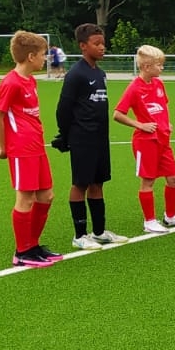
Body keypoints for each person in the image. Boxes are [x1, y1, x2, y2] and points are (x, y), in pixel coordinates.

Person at [0, 30, 61, 267]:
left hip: (37, 146)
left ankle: (33, 245)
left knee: (46, 196)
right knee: (26, 199)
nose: (45, 58)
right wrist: (4, 148)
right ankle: (22, 252)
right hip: (22, 148)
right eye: (42, 54)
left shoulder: (30, 80)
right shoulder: (11, 83)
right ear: (31, 56)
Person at [52, 23, 125, 250]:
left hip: (100, 137)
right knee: (80, 183)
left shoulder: (99, 73)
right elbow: (63, 109)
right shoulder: (76, 74)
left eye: (103, 43)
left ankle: (99, 232)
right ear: (83, 46)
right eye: (96, 44)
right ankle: (80, 235)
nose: (102, 47)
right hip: (82, 137)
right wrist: (65, 135)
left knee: (97, 182)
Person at [113, 45, 175, 233]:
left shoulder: (159, 84)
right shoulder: (134, 88)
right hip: (146, 142)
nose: (162, 68)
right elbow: (117, 114)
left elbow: (162, 105)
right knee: (148, 181)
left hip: (163, 140)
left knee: (174, 178)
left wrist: (167, 123)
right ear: (146, 67)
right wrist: (140, 125)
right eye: (159, 65)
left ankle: (170, 216)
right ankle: (149, 221)